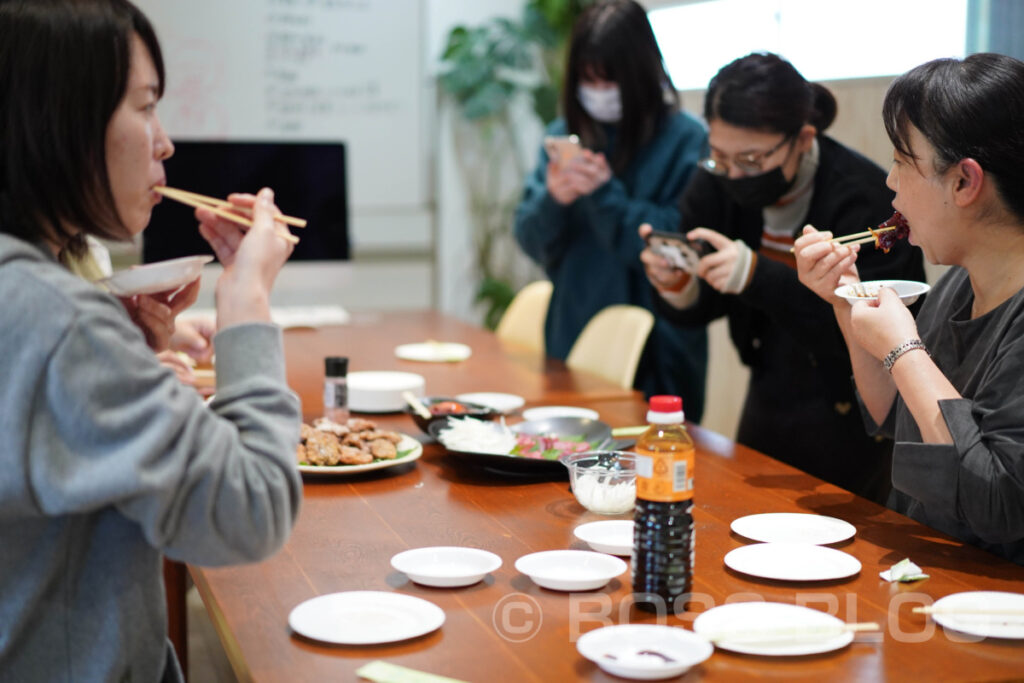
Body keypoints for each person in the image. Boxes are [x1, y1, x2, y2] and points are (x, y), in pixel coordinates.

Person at [0, 1, 302, 679]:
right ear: (59, 120)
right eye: (144, 108)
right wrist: (246, 301)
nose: (164, 143)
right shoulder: (57, 319)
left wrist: (122, 356)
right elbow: (250, 511)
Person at [639, 53, 925, 504]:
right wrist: (679, 283)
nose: (734, 174)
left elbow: (875, 334)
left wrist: (756, 276)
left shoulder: (865, 201)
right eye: (720, 157)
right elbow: (710, 302)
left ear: (803, 138)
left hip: (853, 413)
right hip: (768, 392)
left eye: (751, 160)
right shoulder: (717, 181)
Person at [795, 53, 1024, 564]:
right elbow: (895, 417)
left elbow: (999, 501)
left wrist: (904, 349)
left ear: (965, 181)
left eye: (903, 161)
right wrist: (845, 299)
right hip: (918, 571)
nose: (890, 183)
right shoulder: (960, 283)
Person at [514, 0, 709, 419]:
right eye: (589, 80)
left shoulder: (686, 139)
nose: (599, 93)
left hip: (661, 347)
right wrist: (554, 200)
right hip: (573, 330)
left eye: (611, 80)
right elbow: (529, 238)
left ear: (642, 73)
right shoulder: (564, 134)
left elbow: (680, 245)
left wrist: (605, 195)